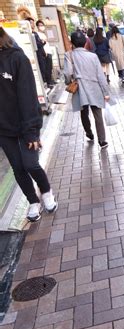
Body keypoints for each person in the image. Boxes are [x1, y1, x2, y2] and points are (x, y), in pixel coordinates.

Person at [0, 27, 58, 222]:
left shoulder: (17, 58)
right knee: (18, 167)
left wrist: (32, 131)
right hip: (3, 128)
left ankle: (47, 192)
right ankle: (33, 201)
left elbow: (28, 96)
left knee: (31, 164)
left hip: (26, 123)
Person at [64, 31, 110, 149]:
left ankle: (89, 133)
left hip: (80, 88)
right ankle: (102, 140)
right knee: (97, 114)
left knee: (84, 112)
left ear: (72, 43)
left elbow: (68, 73)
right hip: (94, 87)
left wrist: (69, 82)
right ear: (85, 43)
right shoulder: (93, 56)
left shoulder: (69, 55)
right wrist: (106, 92)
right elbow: (101, 76)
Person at [26, 17, 47, 86]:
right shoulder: (28, 34)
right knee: (40, 69)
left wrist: (42, 43)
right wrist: (42, 42)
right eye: (31, 23)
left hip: (41, 53)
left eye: (33, 23)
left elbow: (40, 43)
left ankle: (44, 82)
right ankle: (42, 84)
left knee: (43, 68)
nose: (33, 25)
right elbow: (38, 43)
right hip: (36, 54)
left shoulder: (34, 33)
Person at [36, 20, 55, 87]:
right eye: (40, 25)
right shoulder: (37, 34)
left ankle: (50, 81)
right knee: (46, 68)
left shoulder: (43, 33)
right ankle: (48, 82)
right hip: (45, 53)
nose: (41, 27)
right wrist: (45, 52)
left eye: (42, 25)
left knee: (50, 67)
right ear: (37, 26)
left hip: (48, 51)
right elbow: (41, 44)